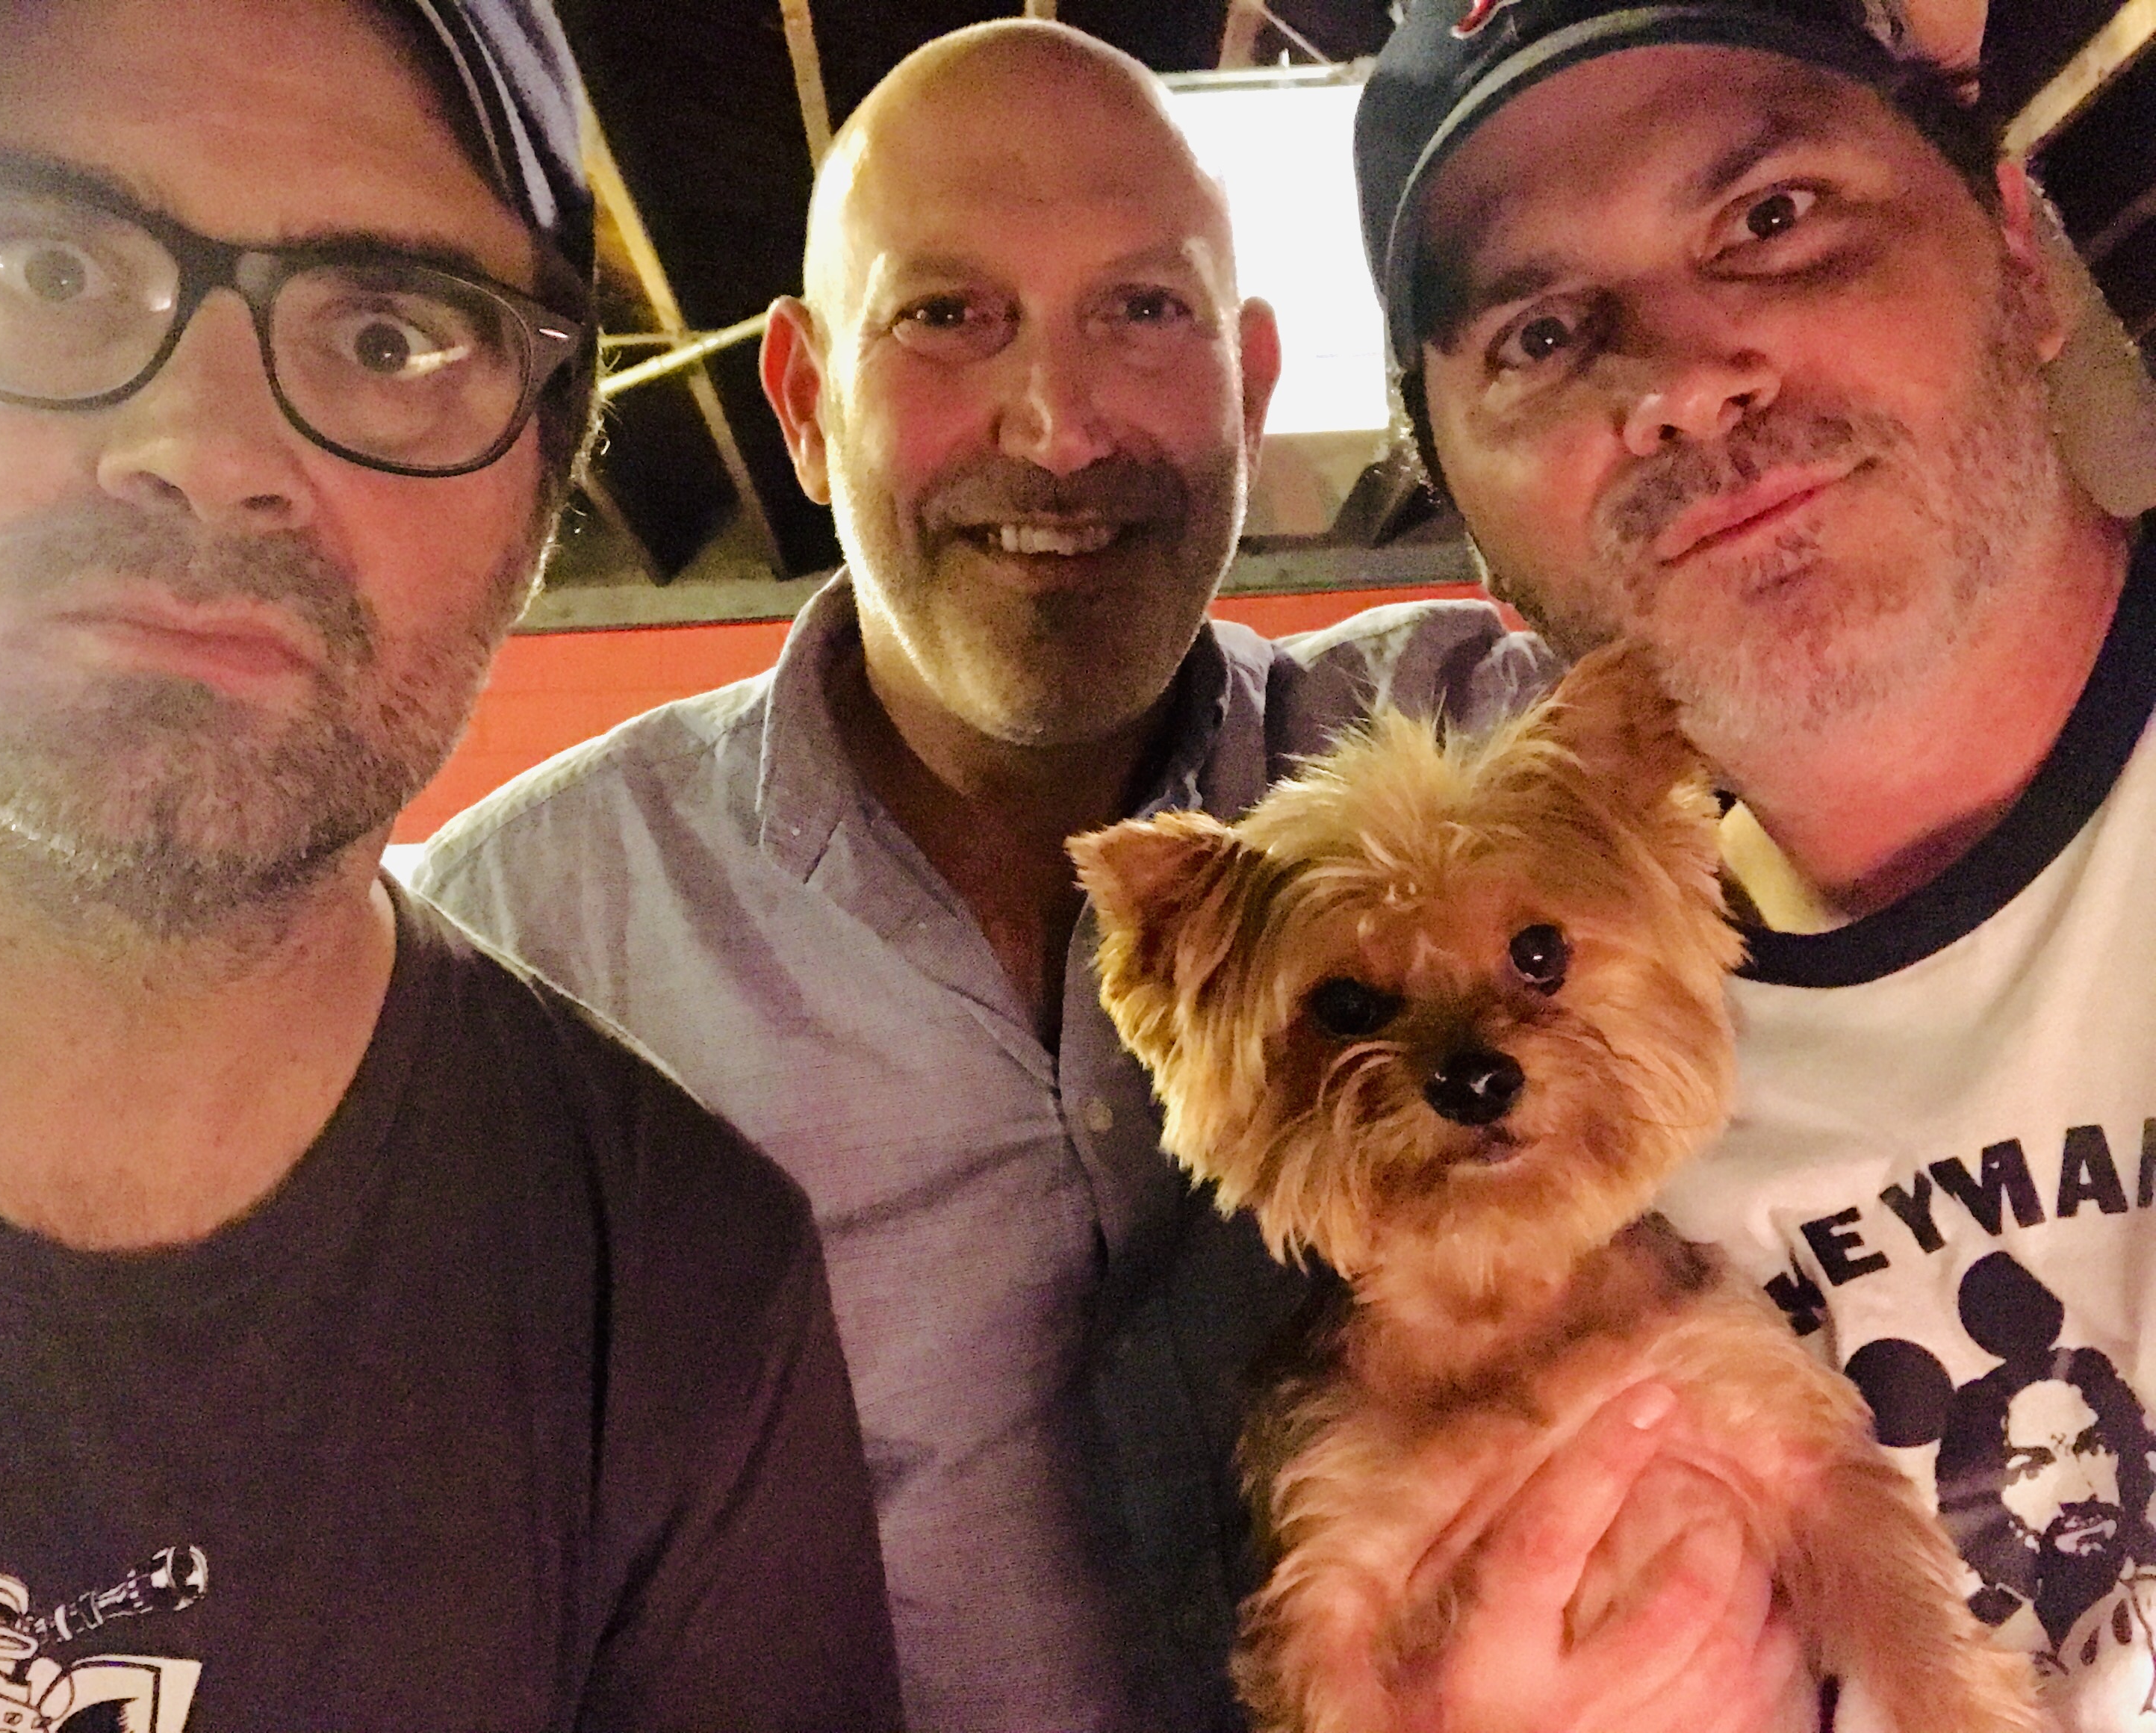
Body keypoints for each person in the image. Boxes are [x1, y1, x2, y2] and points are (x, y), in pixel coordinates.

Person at [417, 18, 1833, 1732]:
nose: (1059, 422)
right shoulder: (518, 941)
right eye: (946, 315)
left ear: (1249, 379)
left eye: (1143, 310)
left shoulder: (1485, 728)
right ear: (800, 400)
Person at [0, 0, 902, 1727]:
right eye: (49, 268)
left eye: (387, 332)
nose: (205, 449)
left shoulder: (675, 1286)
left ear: (540, 492)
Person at [1354, 0, 2156, 1723]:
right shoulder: (1556, 1135)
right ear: (1468, 524)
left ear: (2013, 250)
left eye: (1767, 218)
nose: (1674, 381)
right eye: (1542, 332)